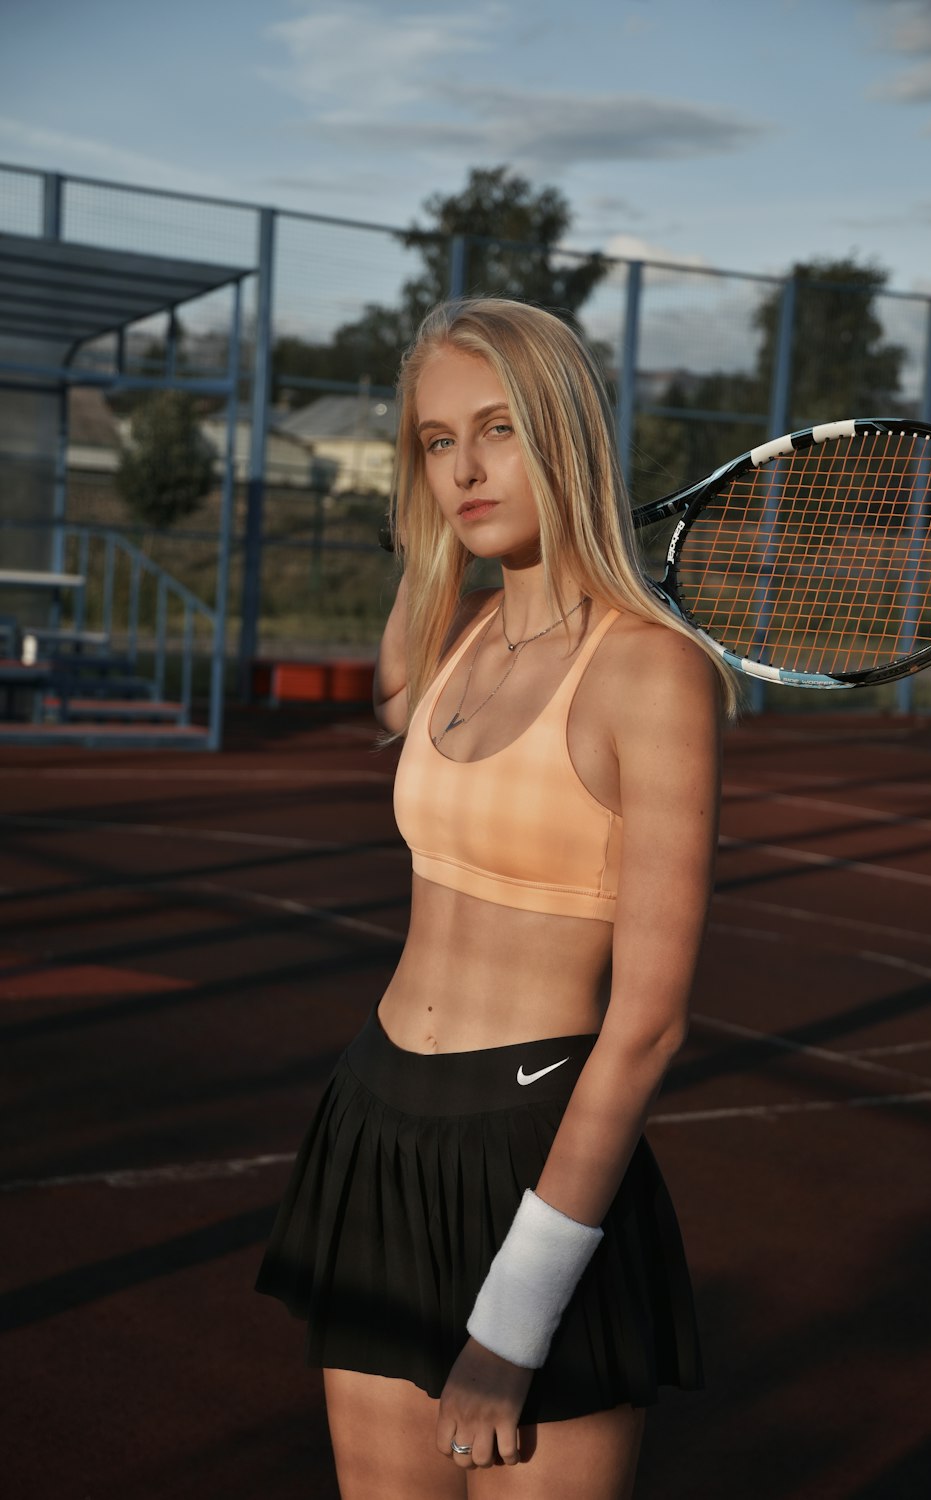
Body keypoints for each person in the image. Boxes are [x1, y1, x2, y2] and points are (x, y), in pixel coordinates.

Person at [256, 297, 736, 1499]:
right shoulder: (451, 641)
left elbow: (650, 1024)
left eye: (499, 429)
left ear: (564, 434)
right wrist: (441, 543)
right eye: (433, 441)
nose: (463, 469)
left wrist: (514, 1324)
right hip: (371, 1127)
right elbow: (392, 701)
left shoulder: (653, 672)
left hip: (537, 1157)